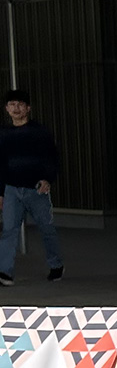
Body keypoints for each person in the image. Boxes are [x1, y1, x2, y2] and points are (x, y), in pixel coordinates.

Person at [0, 89, 64, 285]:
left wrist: (48, 179)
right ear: (7, 109)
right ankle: (5, 273)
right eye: (12, 105)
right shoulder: (4, 134)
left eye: (20, 104)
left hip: (36, 188)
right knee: (9, 230)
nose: (16, 108)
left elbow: (52, 158)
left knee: (46, 227)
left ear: (28, 108)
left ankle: (56, 265)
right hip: (11, 189)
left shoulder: (39, 132)